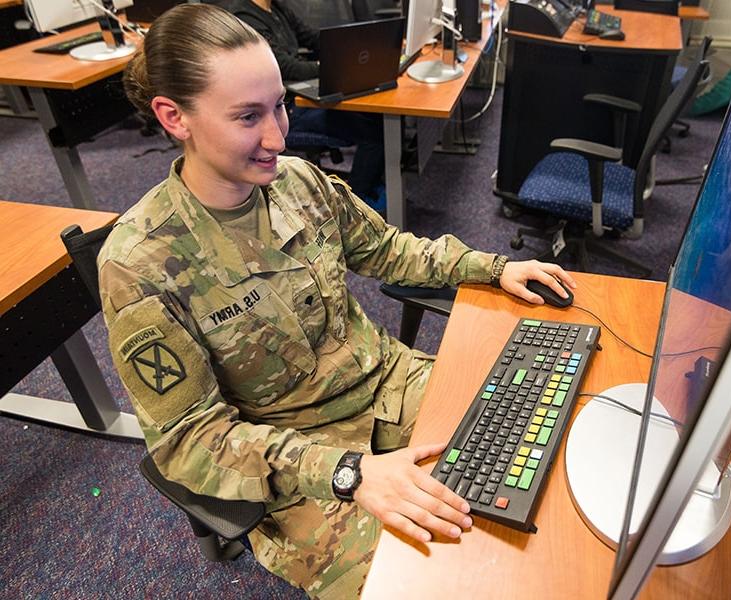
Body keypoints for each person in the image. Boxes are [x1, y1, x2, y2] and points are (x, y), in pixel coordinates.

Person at [103, 4, 576, 599]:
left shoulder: (299, 181)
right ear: (175, 118)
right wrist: (347, 473)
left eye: (279, 104)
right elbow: (188, 442)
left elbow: (389, 250)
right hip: (298, 462)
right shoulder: (139, 262)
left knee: (541, 452)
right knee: (439, 584)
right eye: (249, 116)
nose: (279, 136)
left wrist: (495, 267)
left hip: (389, 384)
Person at [215, 0, 386, 204]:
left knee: (375, 116)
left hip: (301, 95)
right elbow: (285, 67)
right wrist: (334, 65)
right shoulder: (244, 17)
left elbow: (313, 37)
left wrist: (353, 48)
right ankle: (356, 203)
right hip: (285, 109)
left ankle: (369, 183)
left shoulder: (276, 8)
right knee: (374, 130)